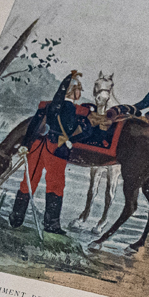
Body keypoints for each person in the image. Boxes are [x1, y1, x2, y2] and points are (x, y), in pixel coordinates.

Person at [12, 70, 90, 234]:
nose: (80, 93)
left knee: (29, 180)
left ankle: (16, 218)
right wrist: (71, 140)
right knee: (55, 185)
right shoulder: (76, 110)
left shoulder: (47, 106)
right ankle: (51, 225)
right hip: (56, 150)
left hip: (37, 147)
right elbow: (87, 131)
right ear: (73, 91)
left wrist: (25, 145)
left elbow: (33, 126)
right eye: (79, 90)